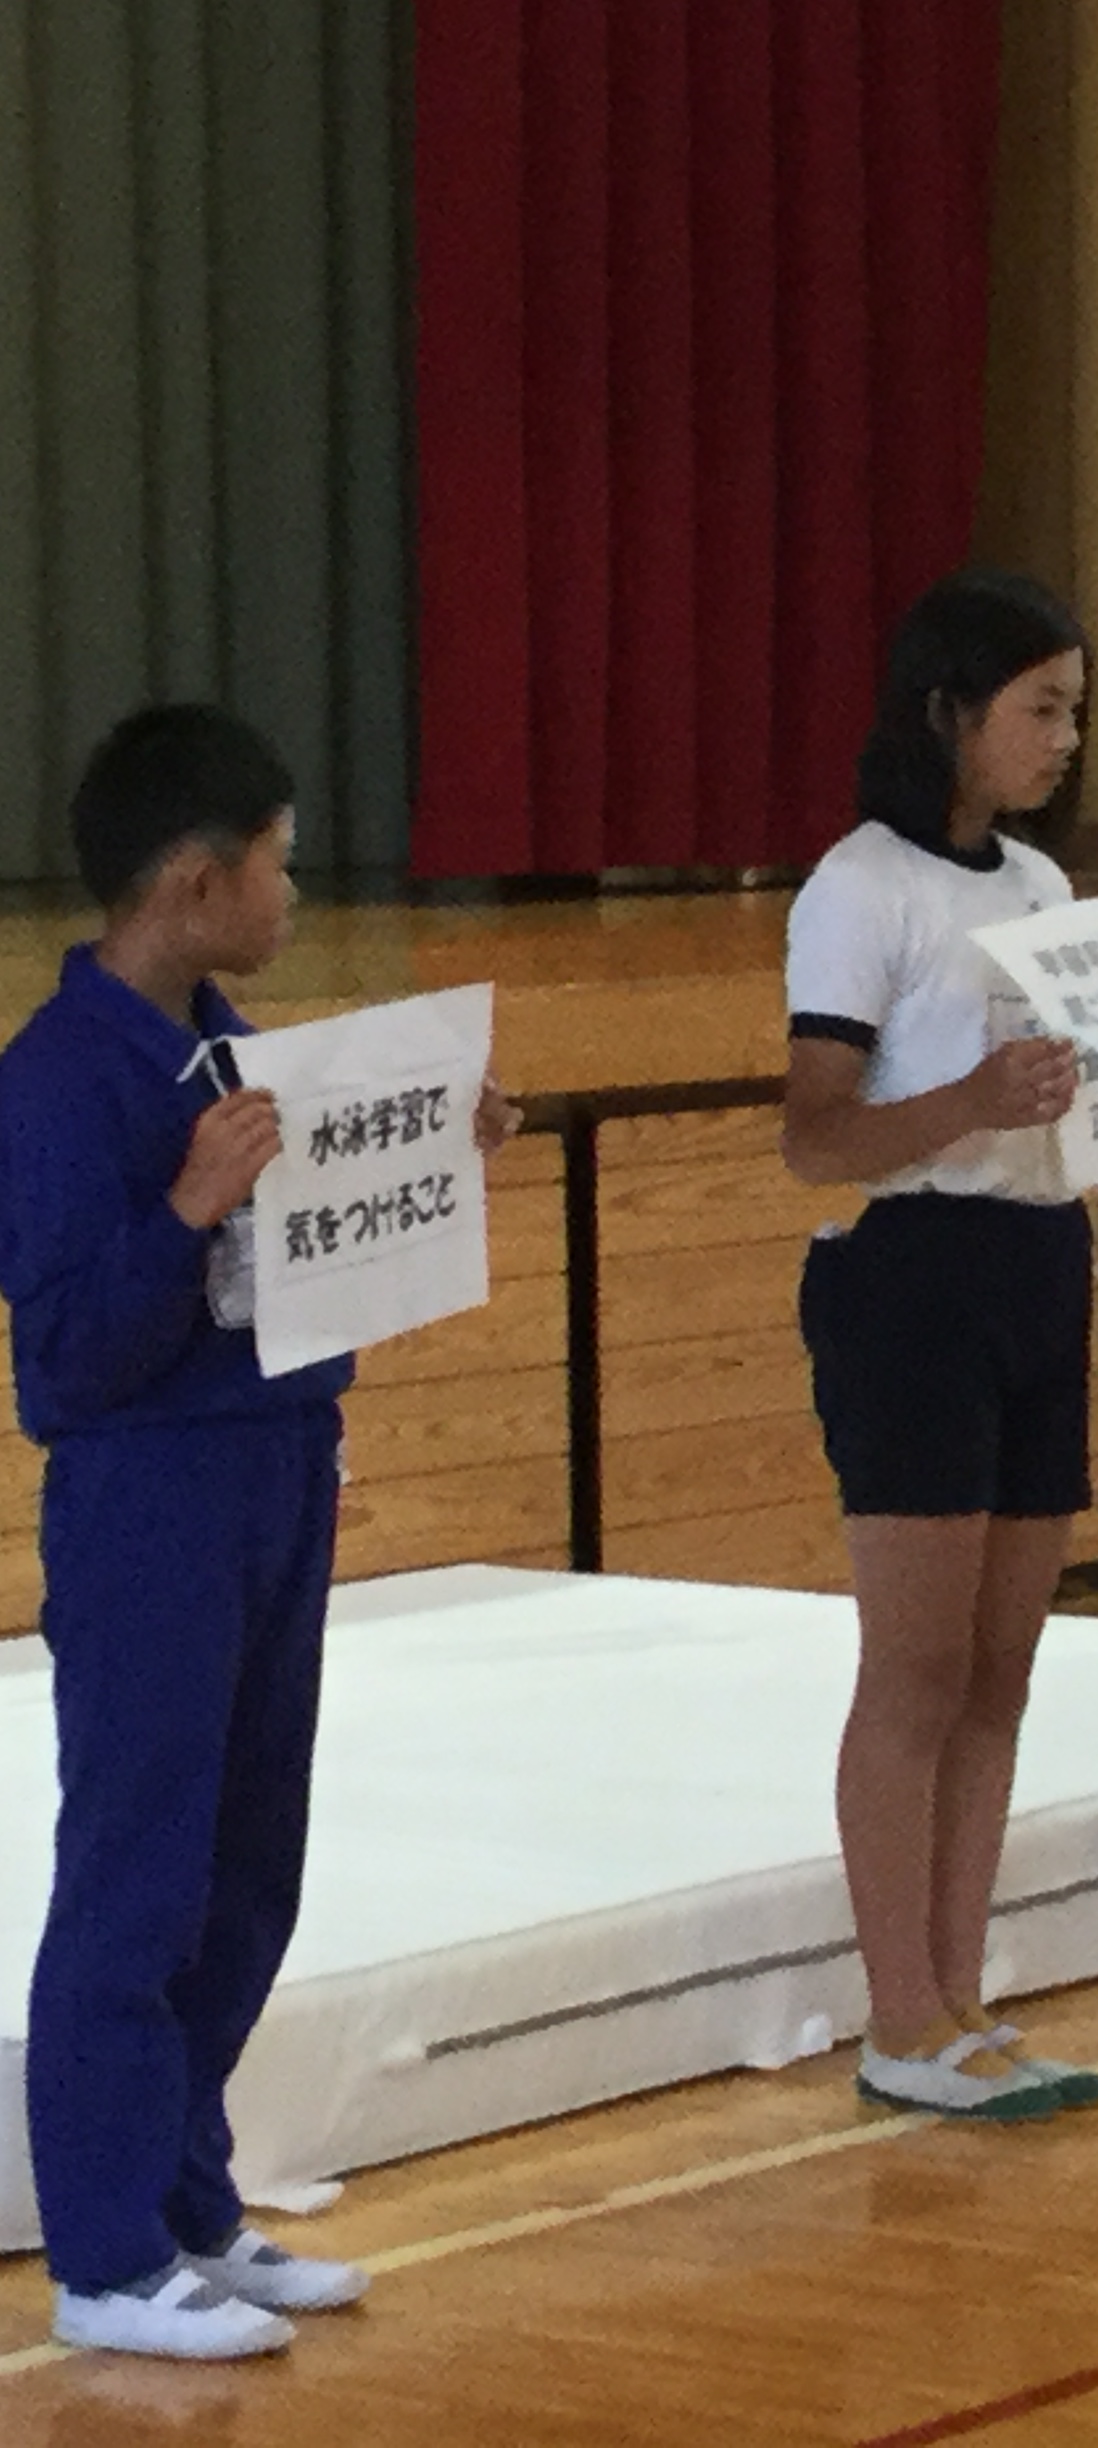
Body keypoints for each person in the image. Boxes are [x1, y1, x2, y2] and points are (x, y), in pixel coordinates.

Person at [2, 705, 513, 2359]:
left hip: (280, 1462)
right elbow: (69, 1356)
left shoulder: (248, 1058)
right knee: (138, 1866)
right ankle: (101, 2254)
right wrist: (184, 1211)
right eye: (277, 864)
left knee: (247, 1865)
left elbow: (321, 1258)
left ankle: (187, 2201)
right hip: (147, 1492)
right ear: (193, 878)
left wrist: (432, 1145)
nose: (295, 894)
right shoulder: (56, 1079)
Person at [782, 571, 1098, 2121]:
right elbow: (815, 1137)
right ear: (949, 712)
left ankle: (963, 1997)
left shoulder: (1044, 888)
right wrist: (971, 1102)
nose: (1065, 738)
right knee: (915, 1668)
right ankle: (897, 2016)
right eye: (1040, 708)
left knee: (1000, 1668)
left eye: (1075, 711)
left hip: (1043, 1255)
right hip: (913, 1277)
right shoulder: (861, 890)